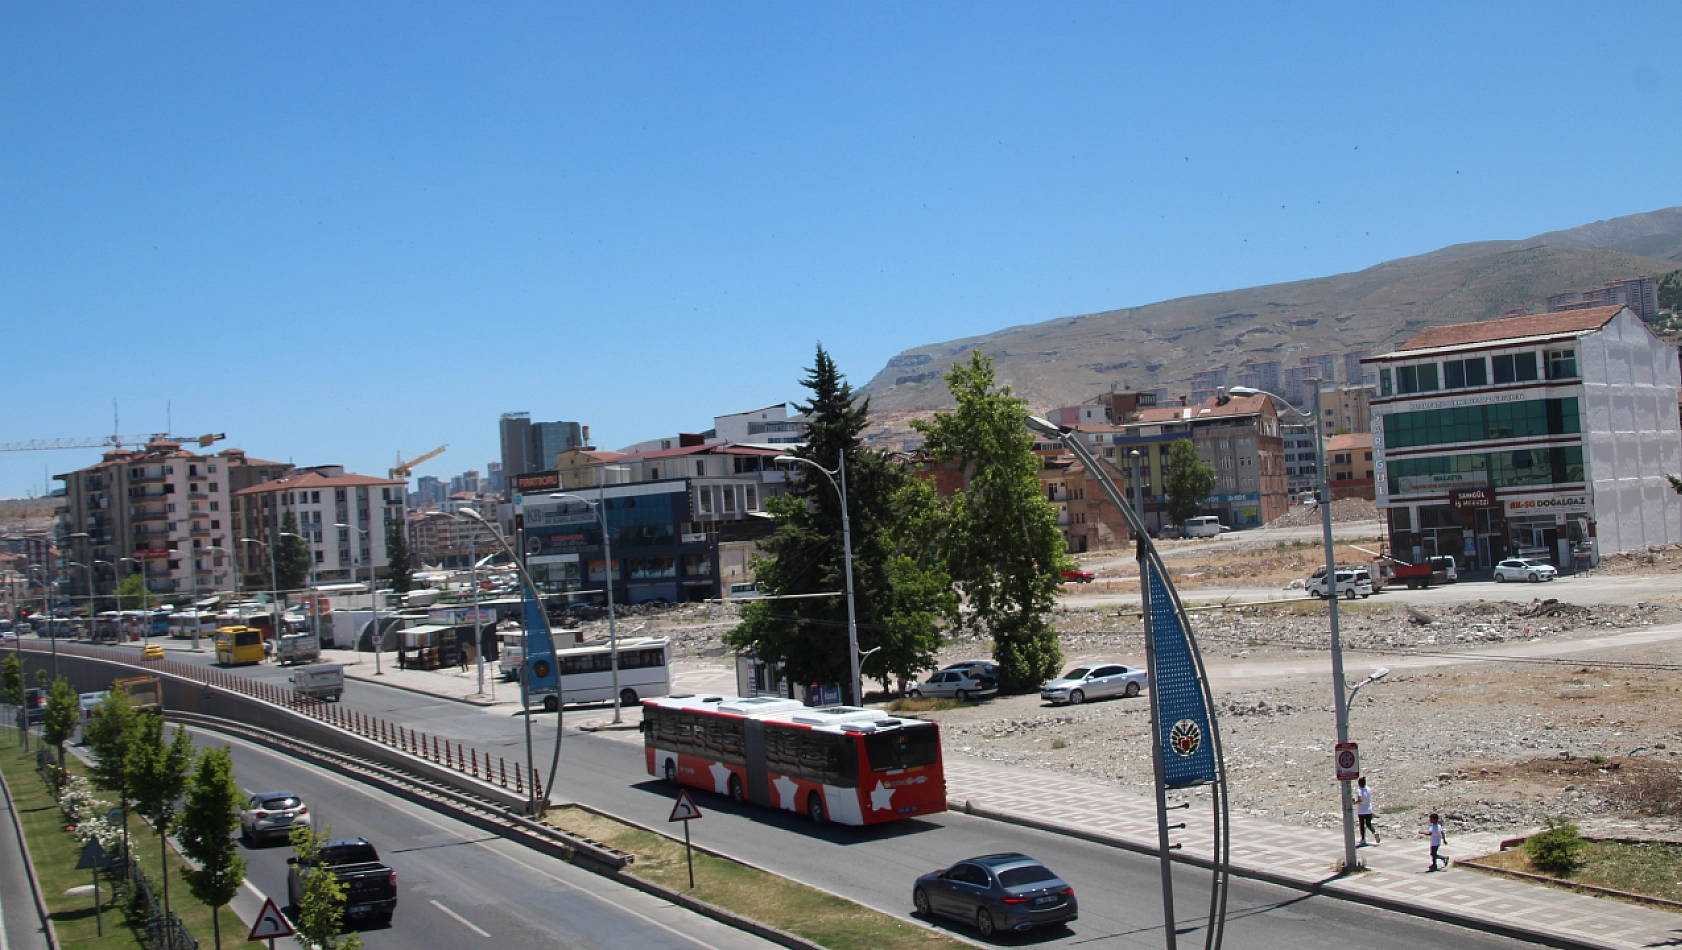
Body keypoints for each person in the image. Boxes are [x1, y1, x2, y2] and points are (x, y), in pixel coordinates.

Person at [1356, 777, 1379, 845]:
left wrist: (1354, 802)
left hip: (1362, 810)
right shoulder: (1368, 789)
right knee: (1368, 823)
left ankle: (1363, 839)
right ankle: (1374, 832)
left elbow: (1360, 800)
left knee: (1362, 824)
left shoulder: (1359, 790)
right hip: (1369, 809)